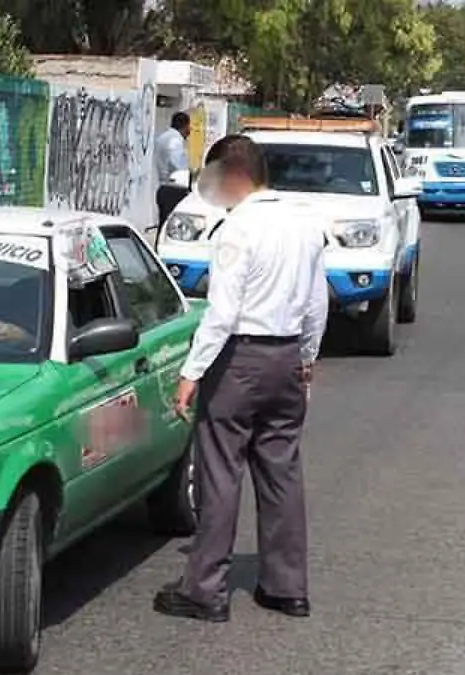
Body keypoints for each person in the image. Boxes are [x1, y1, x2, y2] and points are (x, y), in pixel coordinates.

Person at [152, 134, 329, 623]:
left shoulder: (237, 229)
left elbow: (222, 312)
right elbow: (318, 303)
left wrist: (191, 372)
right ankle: (287, 587)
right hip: (286, 356)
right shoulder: (305, 226)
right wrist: (306, 359)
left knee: (220, 469)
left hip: (240, 358)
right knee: (281, 470)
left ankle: (205, 590)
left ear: (233, 175)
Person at [155, 111, 192, 228]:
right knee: (173, 226)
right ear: (184, 125)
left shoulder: (162, 137)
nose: (189, 130)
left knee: (163, 224)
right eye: (188, 126)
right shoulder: (176, 140)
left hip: (162, 187)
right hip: (175, 190)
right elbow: (177, 164)